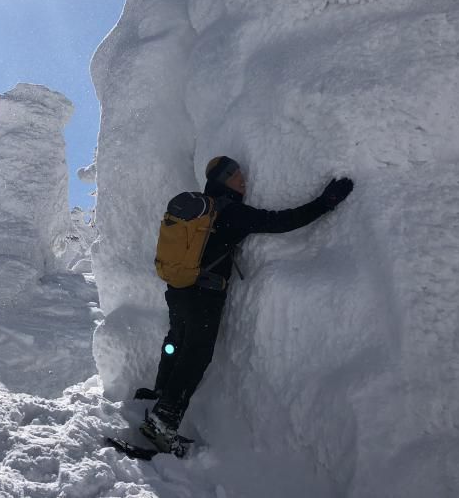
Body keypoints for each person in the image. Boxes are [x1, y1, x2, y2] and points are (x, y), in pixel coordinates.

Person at [137, 155, 354, 455]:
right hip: (204, 296)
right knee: (195, 356)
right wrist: (324, 202)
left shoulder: (202, 209)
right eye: (237, 175)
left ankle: (160, 394)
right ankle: (164, 420)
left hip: (178, 290)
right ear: (225, 180)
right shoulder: (231, 211)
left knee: (176, 342)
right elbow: (281, 221)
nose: (243, 180)